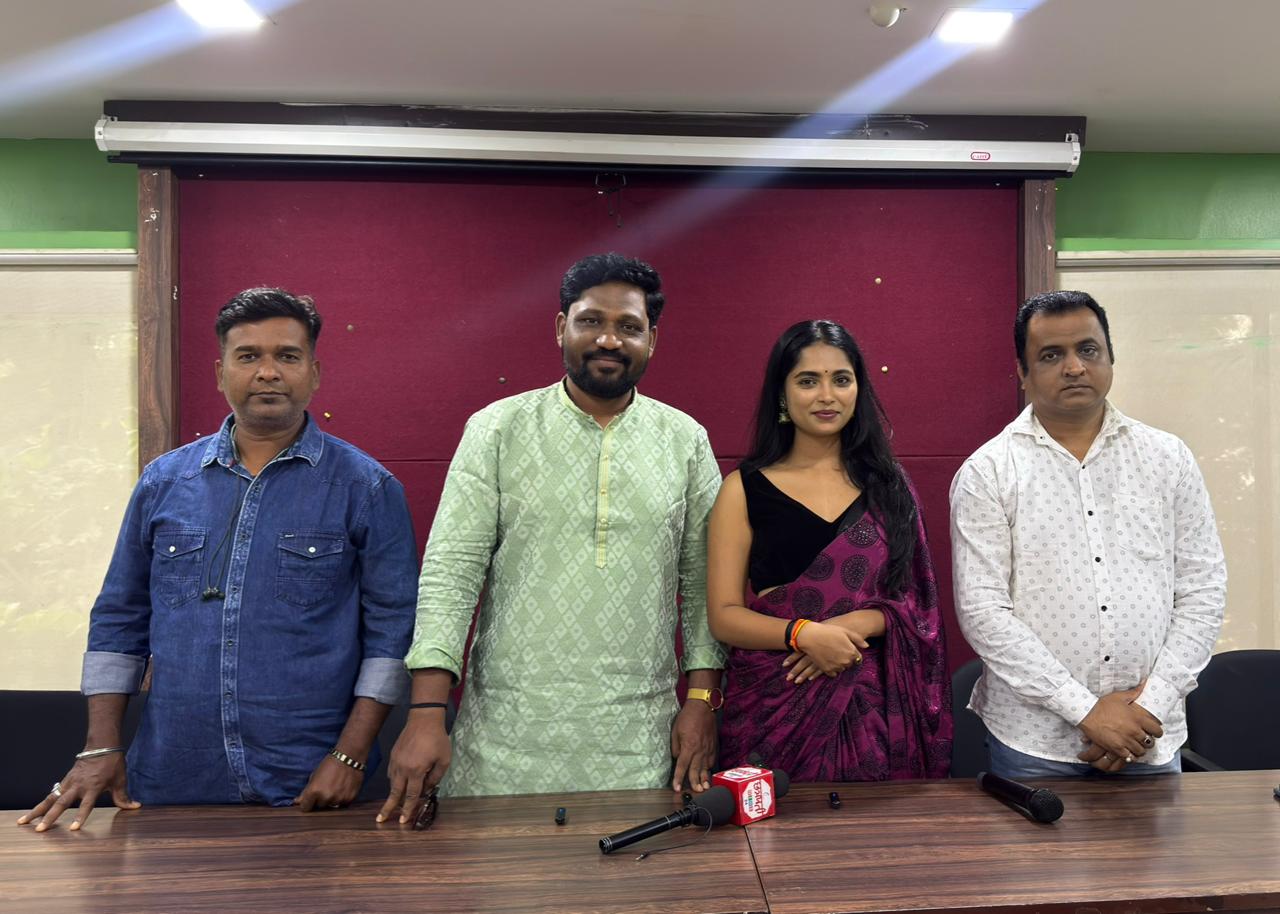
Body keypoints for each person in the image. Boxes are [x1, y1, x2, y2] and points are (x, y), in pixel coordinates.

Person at [18, 288, 418, 832]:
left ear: (314, 373)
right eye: (248, 356)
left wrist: (350, 755)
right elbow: (118, 619)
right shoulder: (164, 482)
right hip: (172, 778)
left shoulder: (365, 488)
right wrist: (100, 746)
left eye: (287, 356)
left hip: (315, 783)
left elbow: (393, 634)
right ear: (220, 372)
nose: (268, 372)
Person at [379, 253, 725, 820]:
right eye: (591, 321)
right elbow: (451, 573)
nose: (609, 339)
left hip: (640, 741)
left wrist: (702, 701)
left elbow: (704, 583)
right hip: (504, 740)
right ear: (562, 327)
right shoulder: (497, 428)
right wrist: (425, 714)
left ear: (652, 339)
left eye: (629, 326)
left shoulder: (684, 440)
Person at [950, 290, 1227, 779]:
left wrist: (1150, 705)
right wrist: (1088, 712)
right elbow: (983, 611)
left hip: (1149, 734)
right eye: (1051, 355)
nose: (1074, 367)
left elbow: (1203, 591)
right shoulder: (988, 472)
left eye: (1088, 349)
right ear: (1022, 372)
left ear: (1110, 358)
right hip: (1034, 743)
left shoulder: (1168, 459)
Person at [707, 319, 952, 780]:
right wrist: (803, 634)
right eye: (807, 381)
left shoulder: (890, 487)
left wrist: (853, 624)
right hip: (774, 707)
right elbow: (724, 617)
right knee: (774, 826)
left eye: (841, 379)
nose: (826, 395)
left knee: (875, 826)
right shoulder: (743, 489)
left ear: (858, 389)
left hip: (874, 711)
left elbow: (918, 608)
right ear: (782, 393)